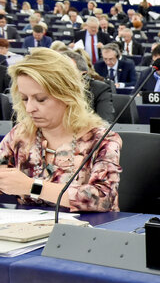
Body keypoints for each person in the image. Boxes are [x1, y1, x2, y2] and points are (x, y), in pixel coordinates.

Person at [0, 48, 121, 211]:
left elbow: (103, 197)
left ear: (67, 95)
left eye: (41, 99)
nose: (29, 108)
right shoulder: (20, 134)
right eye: (24, 99)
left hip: (87, 232)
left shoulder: (102, 139)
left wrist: (32, 187)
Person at [61, 50, 116, 123]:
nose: (62, 74)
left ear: (83, 74)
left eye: (67, 70)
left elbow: (105, 123)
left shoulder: (99, 90)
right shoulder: (49, 90)